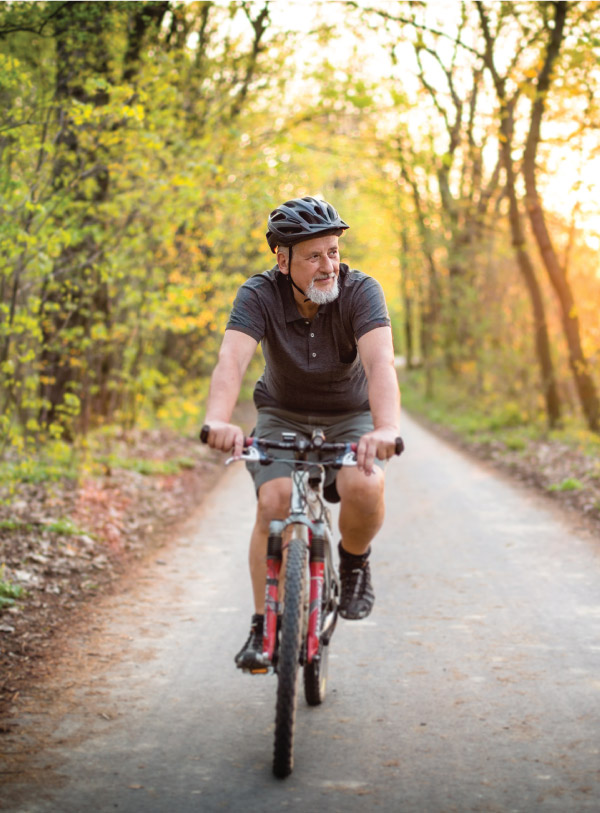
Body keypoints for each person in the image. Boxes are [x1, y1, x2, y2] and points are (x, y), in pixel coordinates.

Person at [202, 196, 401, 670]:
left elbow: (380, 364)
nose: (328, 264)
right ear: (282, 259)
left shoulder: (361, 291)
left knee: (365, 485)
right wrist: (218, 419)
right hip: (283, 414)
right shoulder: (258, 294)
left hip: (349, 415)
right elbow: (232, 359)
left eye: (332, 251)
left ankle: (353, 562)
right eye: (314, 256)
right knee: (272, 504)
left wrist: (387, 427)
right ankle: (262, 625)